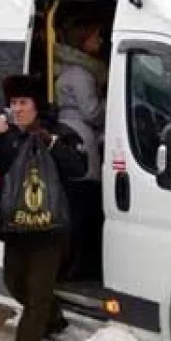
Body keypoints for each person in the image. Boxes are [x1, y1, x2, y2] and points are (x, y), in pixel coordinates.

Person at [0, 74, 87, 341]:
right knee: (15, 284)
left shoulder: (58, 133)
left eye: (23, 103)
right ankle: (54, 318)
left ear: (37, 106)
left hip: (49, 230)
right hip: (16, 228)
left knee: (36, 296)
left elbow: (79, 167)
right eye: (13, 103)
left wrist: (52, 144)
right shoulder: (7, 136)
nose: (17, 109)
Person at [54, 18, 108, 282]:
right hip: (83, 140)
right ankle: (82, 266)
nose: (100, 41)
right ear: (83, 39)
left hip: (69, 136)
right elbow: (93, 112)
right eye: (96, 36)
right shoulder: (83, 75)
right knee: (85, 209)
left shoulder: (66, 72)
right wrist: (114, 101)